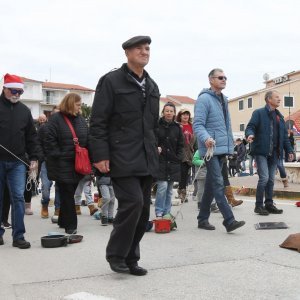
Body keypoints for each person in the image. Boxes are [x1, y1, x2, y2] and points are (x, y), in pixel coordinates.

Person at [89, 35, 160, 276]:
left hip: (146, 157)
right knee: (132, 203)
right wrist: (99, 154)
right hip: (121, 155)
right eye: (139, 48)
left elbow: (152, 124)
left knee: (142, 212)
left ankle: (131, 258)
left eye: (147, 48)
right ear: (127, 53)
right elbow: (98, 121)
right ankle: (116, 255)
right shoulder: (111, 81)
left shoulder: (151, 86)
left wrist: (156, 147)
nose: (145, 52)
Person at [193, 68, 245, 232]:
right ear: (211, 80)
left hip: (222, 148)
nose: (224, 80)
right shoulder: (204, 99)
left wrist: (230, 147)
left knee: (210, 185)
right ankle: (229, 220)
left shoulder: (223, 100)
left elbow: (226, 127)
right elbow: (198, 124)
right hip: (210, 148)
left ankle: (202, 219)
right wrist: (206, 138)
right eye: (220, 77)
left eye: (225, 77)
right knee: (217, 182)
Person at [0, 74, 39, 249]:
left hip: (17, 162)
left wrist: (34, 157)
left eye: (20, 92)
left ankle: (18, 236)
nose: (17, 94)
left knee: (17, 197)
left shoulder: (24, 111)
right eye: (13, 91)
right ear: (5, 88)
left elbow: (32, 137)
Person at [44, 93, 89, 234]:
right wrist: (60, 154)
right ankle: (71, 225)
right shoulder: (56, 119)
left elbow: (87, 138)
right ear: (70, 103)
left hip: (77, 163)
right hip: (61, 163)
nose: (80, 107)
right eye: (78, 104)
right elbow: (48, 140)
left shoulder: (80, 119)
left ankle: (63, 220)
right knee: (68, 193)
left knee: (67, 193)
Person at [245, 90, 294, 215]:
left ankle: (269, 204)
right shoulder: (259, 113)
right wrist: (250, 134)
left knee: (271, 179)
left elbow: (284, 137)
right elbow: (250, 126)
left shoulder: (280, 117)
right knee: (264, 178)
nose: (280, 99)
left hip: (275, 153)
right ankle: (258, 206)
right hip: (261, 151)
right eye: (277, 97)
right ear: (269, 99)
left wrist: (289, 150)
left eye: (280, 97)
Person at [155, 102, 183, 217]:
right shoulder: (156, 125)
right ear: (163, 112)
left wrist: (179, 158)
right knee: (162, 187)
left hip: (173, 162)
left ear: (174, 113)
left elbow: (181, 145)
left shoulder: (177, 127)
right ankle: (159, 211)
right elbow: (152, 139)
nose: (169, 113)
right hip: (160, 161)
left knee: (170, 190)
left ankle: (167, 212)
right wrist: (155, 148)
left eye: (171, 111)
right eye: (167, 111)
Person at [176, 108, 196, 202]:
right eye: (183, 114)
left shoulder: (192, 126)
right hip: (180, 153)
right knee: (182, 173)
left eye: (187, 114)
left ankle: (181, 191)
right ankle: (182, 193)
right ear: (180, 116)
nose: (185, 116)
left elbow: (194, 140)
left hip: (190, 153)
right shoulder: (177, 126)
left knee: (187, 174)